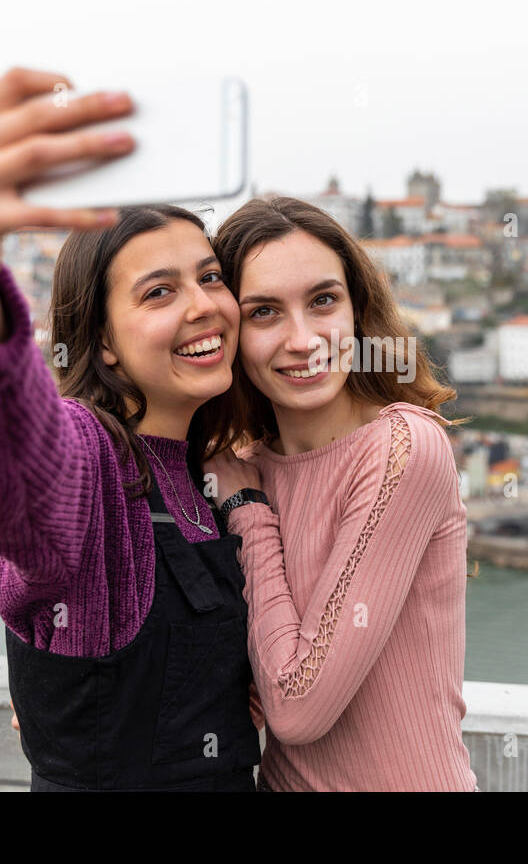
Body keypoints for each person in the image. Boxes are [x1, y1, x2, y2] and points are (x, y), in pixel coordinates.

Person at [0, 67, 260, 791]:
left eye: (210, 277)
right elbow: (11, 462)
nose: (203, 305)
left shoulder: (202, 469)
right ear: (101, 342)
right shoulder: (95, 462)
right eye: (160, 291)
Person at [204, 197, 479, 791]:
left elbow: (297, 707)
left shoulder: (403, 449)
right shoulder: (240, 470)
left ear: (358, 310)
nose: (304, 340)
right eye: (265, 312)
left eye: (323, 301)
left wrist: (250, 518)